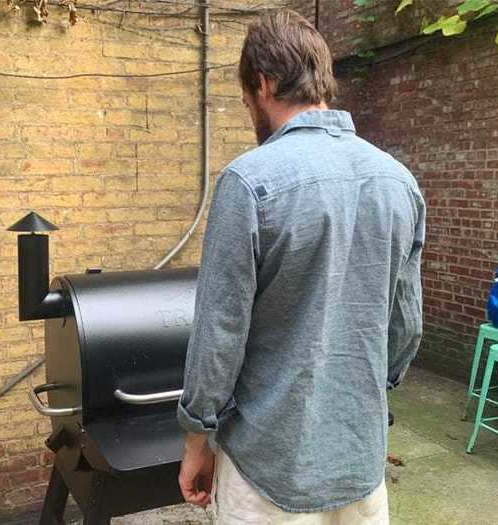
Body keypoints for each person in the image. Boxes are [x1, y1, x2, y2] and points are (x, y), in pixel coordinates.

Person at [176, 9, 425, 525]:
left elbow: (220, 330)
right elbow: (406, 324)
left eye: (246, 98)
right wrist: (366, 395)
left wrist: (197, 437)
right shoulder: (398, 180)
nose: (248, 107)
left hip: (268, 467)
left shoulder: (247, 181)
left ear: (262, 84)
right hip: (360, 458)